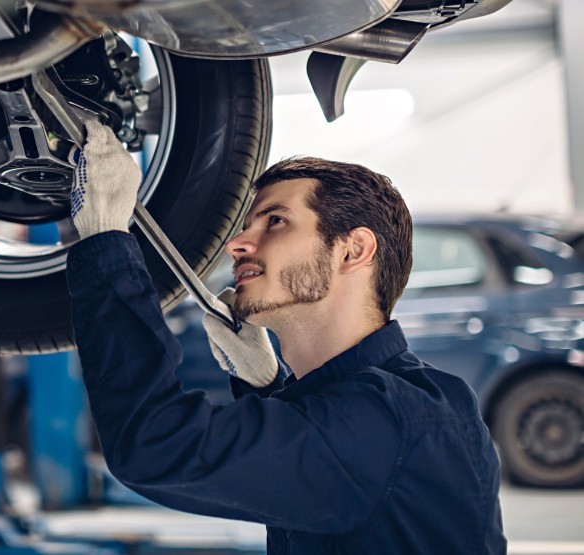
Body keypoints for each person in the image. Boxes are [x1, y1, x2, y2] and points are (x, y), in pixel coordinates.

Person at [66, 120, 507, 554]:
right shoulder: (407, 403)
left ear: (353, 250)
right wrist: (267, 386)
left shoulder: (385, 421)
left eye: (274, 221)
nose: (236, 243)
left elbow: (154, 445)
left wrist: (106, 240)